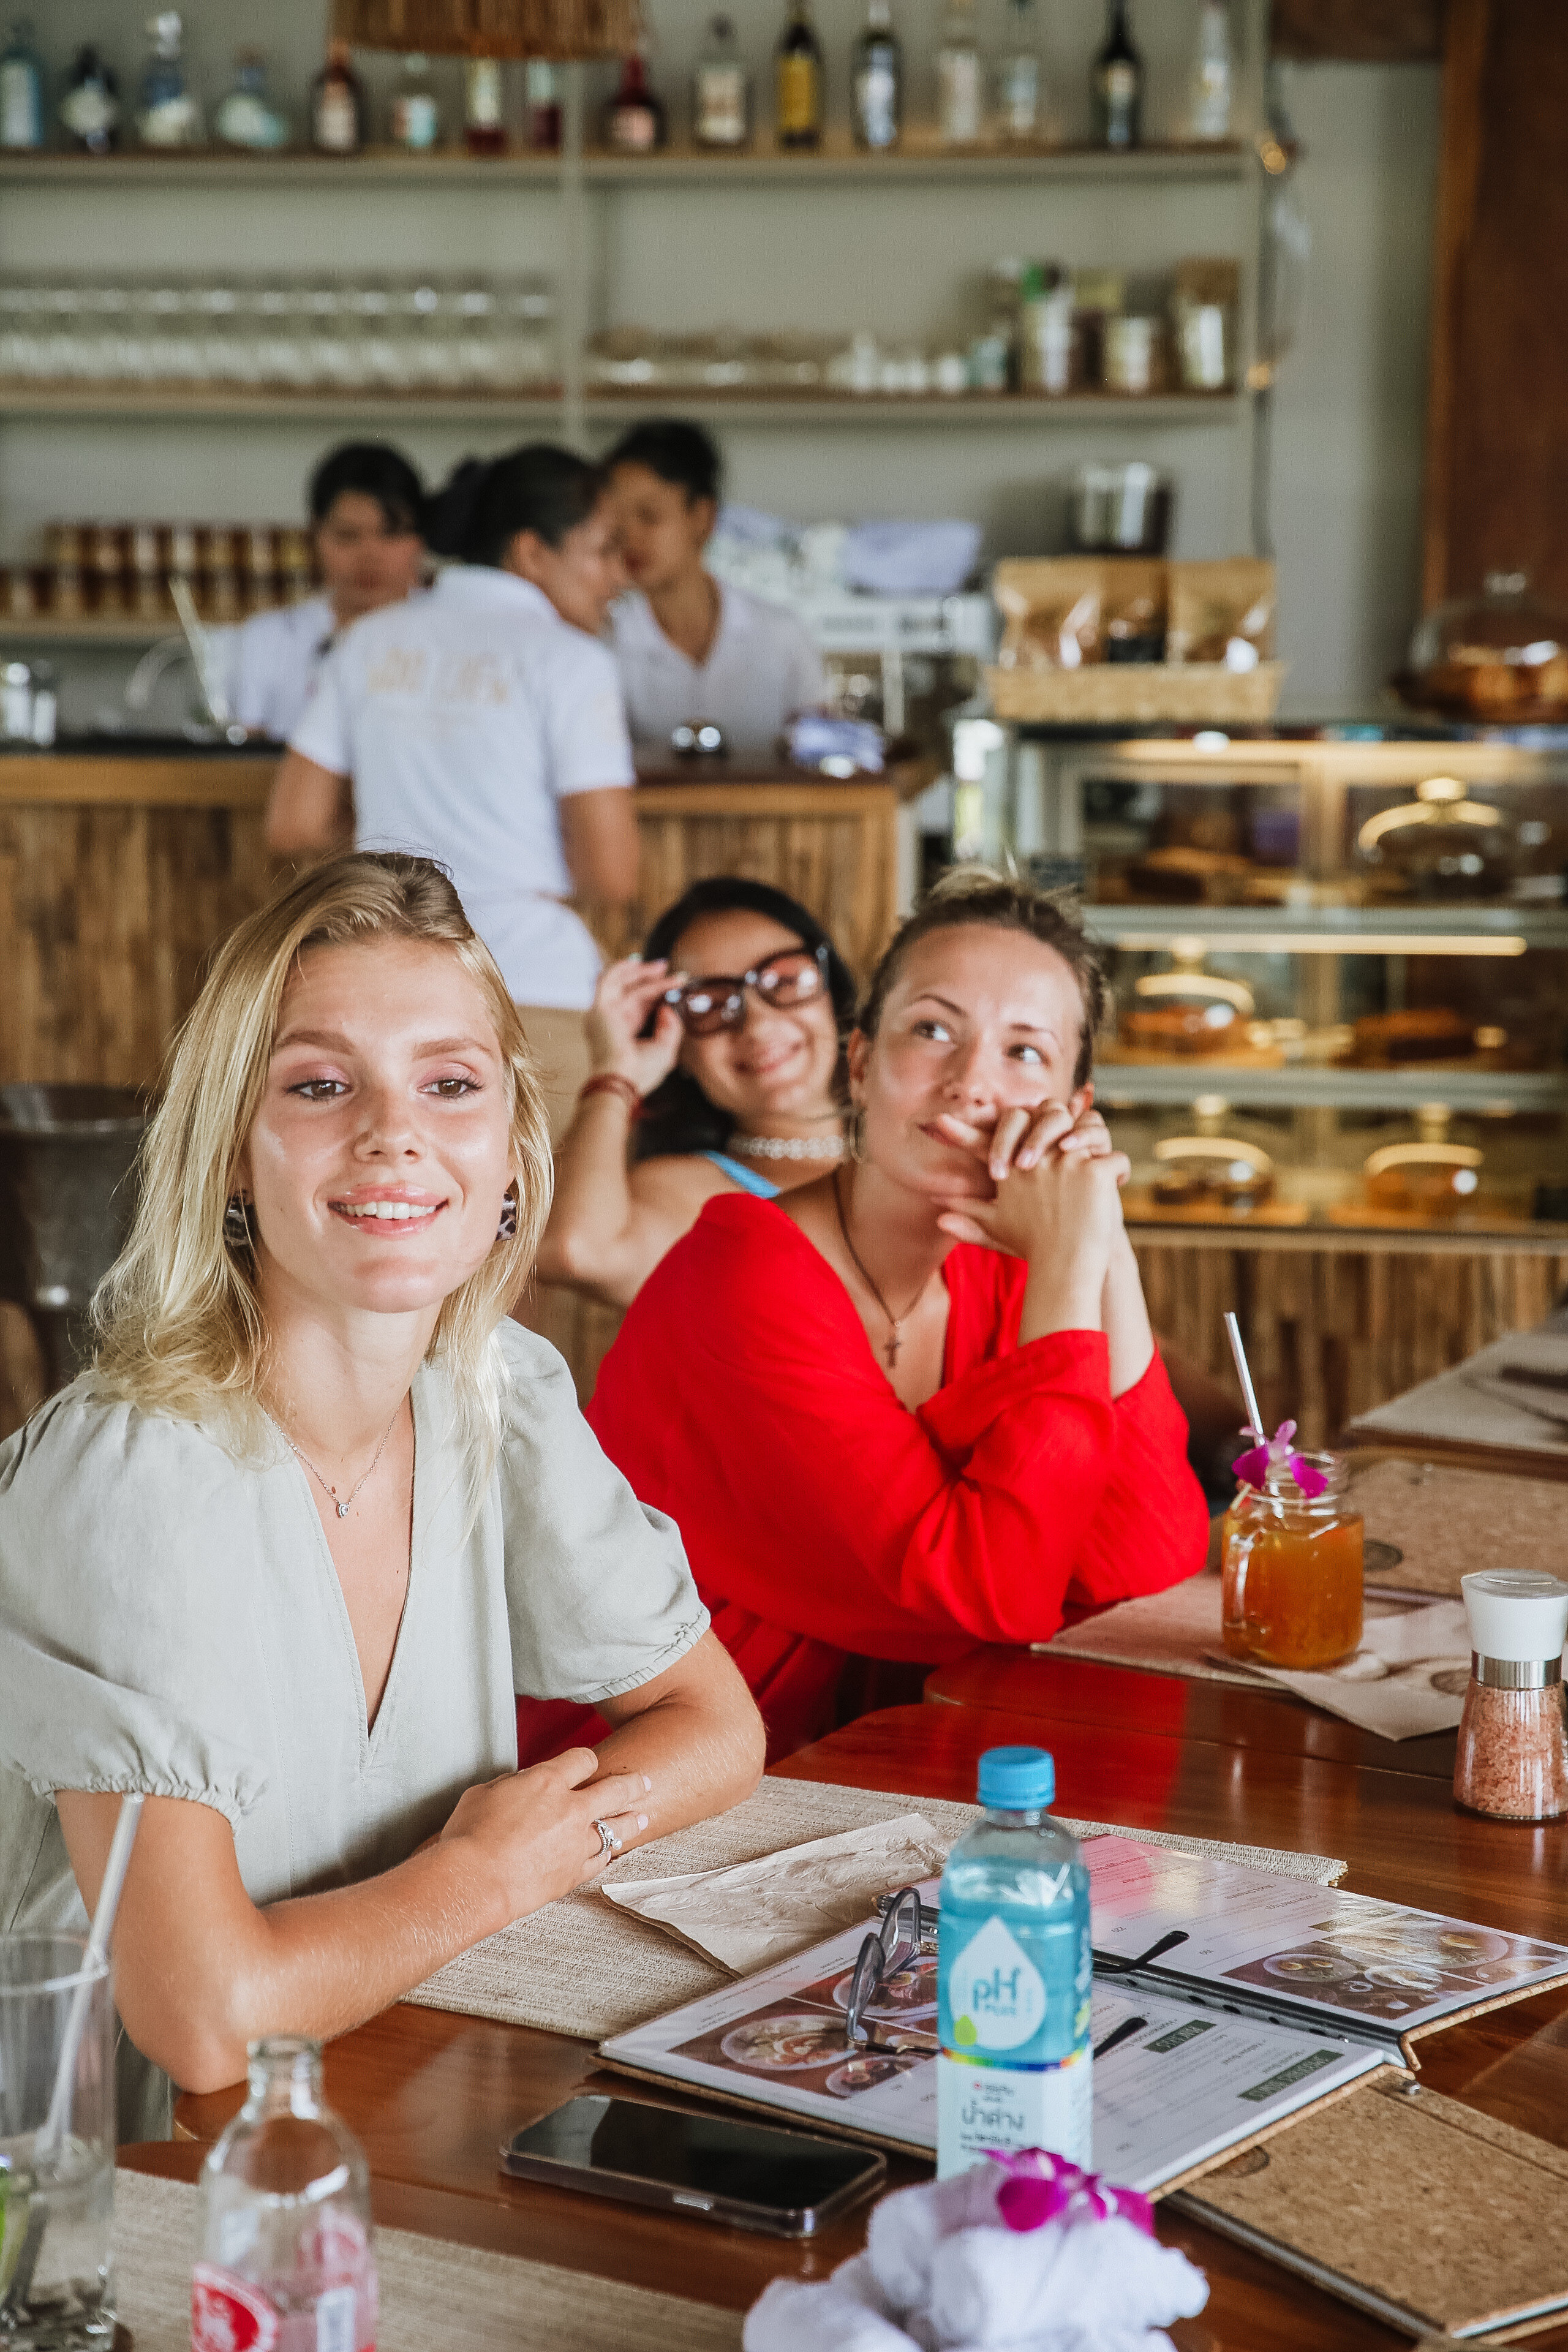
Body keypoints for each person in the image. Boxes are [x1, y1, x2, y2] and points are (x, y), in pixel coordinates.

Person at [0, 852, 763, 2138]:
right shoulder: (134, 1473)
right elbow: (204, 2020)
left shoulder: (495, 1386)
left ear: (512, 1154)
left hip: (377, 2087)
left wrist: (546, 1846)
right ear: (233, 1157)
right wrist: (488, 1872)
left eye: (450, 1084)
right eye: (319, 1084)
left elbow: (713, 1727)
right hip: (111, 2195)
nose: (394, 1132)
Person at [587, 868, 1211, 1760]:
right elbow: (986, 1591)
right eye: (932, 1030)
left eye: (1024, 1051)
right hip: (671, 1772)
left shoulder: (1003, 1268)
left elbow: (1145, 1556)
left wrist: (1100, 1235)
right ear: (859, 1064)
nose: (970, 1083)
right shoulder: (743, 1273)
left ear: (1075, 1112)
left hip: (893, 1756)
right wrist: (1070, 1267)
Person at [266, 445, 640, 1141]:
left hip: (389, 987)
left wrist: (395, 832)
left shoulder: (369, 642)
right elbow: (611, 874)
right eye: (603, 550)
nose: (619, 577)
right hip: (538, 985)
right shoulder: (570, 661)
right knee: (535, 1238)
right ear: (532, 552)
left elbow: (293, 825)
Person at [537, 876, 854, 1310]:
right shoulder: (692, 1197)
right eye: (709, 1003)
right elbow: (577, 1250)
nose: (757, 1024)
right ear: (681, 1049)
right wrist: (616, 1074)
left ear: (830, 992)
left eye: (783, 980)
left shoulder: (925, 1142)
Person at [606, 418, 825, 757]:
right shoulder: (605, 643)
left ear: (702, 517)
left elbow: (819, 755)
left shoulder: (782, 636)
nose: (631, 538)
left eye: (649, 516)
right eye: (618, 523)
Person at [219, 440, 428, 742]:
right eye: (347, 536)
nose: (369, 555)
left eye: (390, 535)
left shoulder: (453, 637)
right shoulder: (269, 637)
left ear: (421, 539)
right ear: (314, 536)